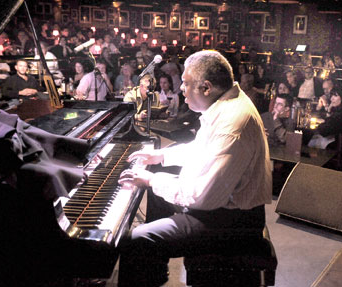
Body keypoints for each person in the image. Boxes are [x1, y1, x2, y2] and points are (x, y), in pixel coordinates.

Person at [117, 50, 272, 287]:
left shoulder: (232, 124)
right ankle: (154, 270)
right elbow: (202, 148)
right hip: (222, 206)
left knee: (137, 238)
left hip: (231, 222)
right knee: (160, 179)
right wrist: (160, 156)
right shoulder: (226, 104)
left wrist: (150, 180)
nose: (180, 89)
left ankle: (149, 262)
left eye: (186, 84)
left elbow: (201, 197)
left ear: (206, 88)